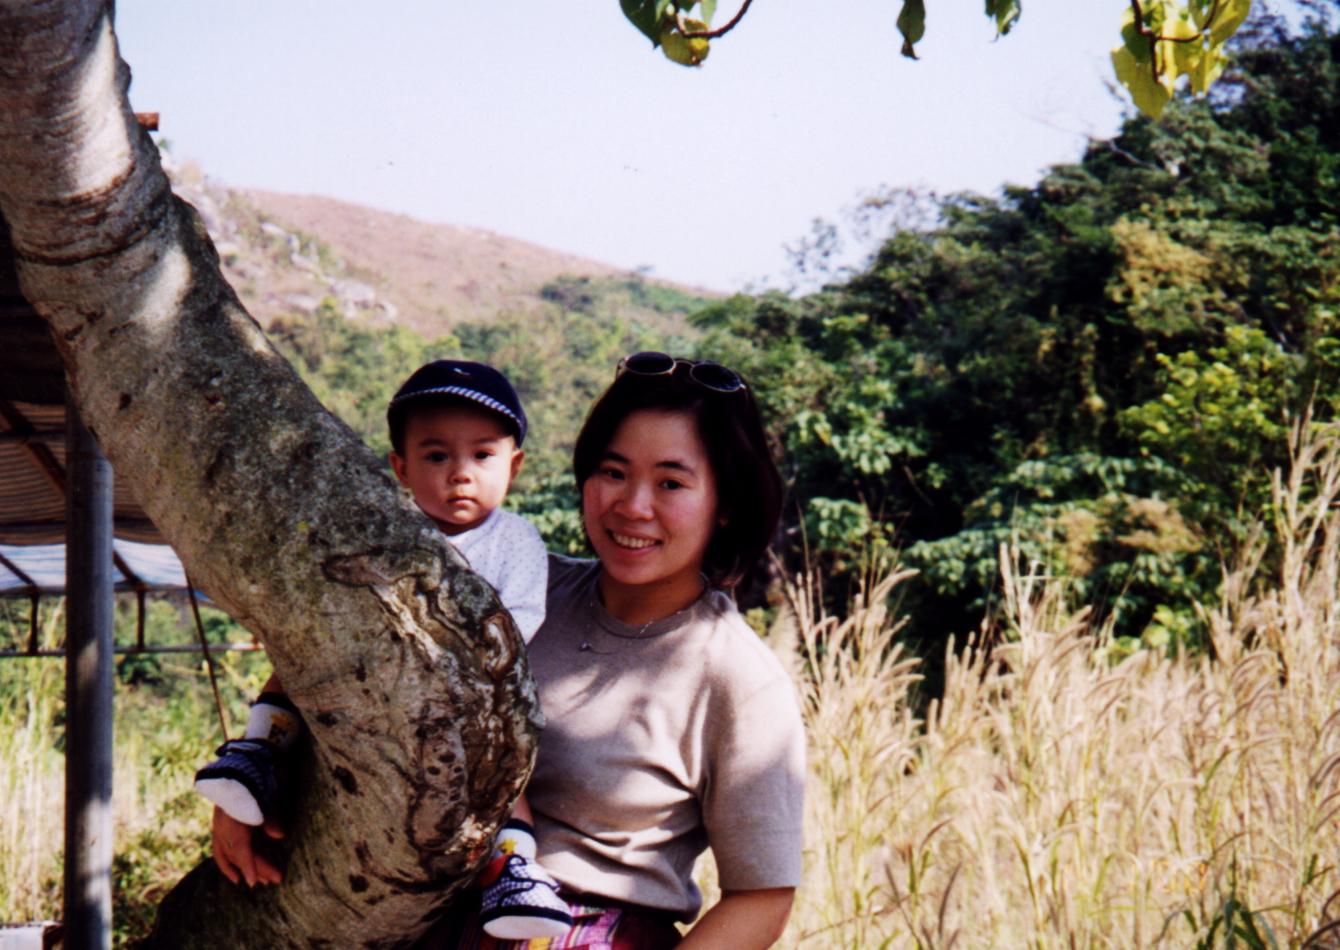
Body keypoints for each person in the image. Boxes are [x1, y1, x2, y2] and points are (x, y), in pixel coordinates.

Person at [438, 351, 805, 948]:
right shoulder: (520, 587)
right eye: (613, 472)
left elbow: (762, 897)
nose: (633, 506)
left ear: (726, 503)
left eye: (671, 482)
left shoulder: (738, 676)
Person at [200, 359, 574, 941]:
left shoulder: (515, 541)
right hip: (364, 682)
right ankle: (258, 755)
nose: (460, 474)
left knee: (503, 776)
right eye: (436, 456)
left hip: (470, 702)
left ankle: (513, 866)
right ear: (400, 466)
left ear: (515, 466)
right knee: (300, 663)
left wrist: (449, 665)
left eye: (482, 455)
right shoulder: (379, 532)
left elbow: (519, 623)